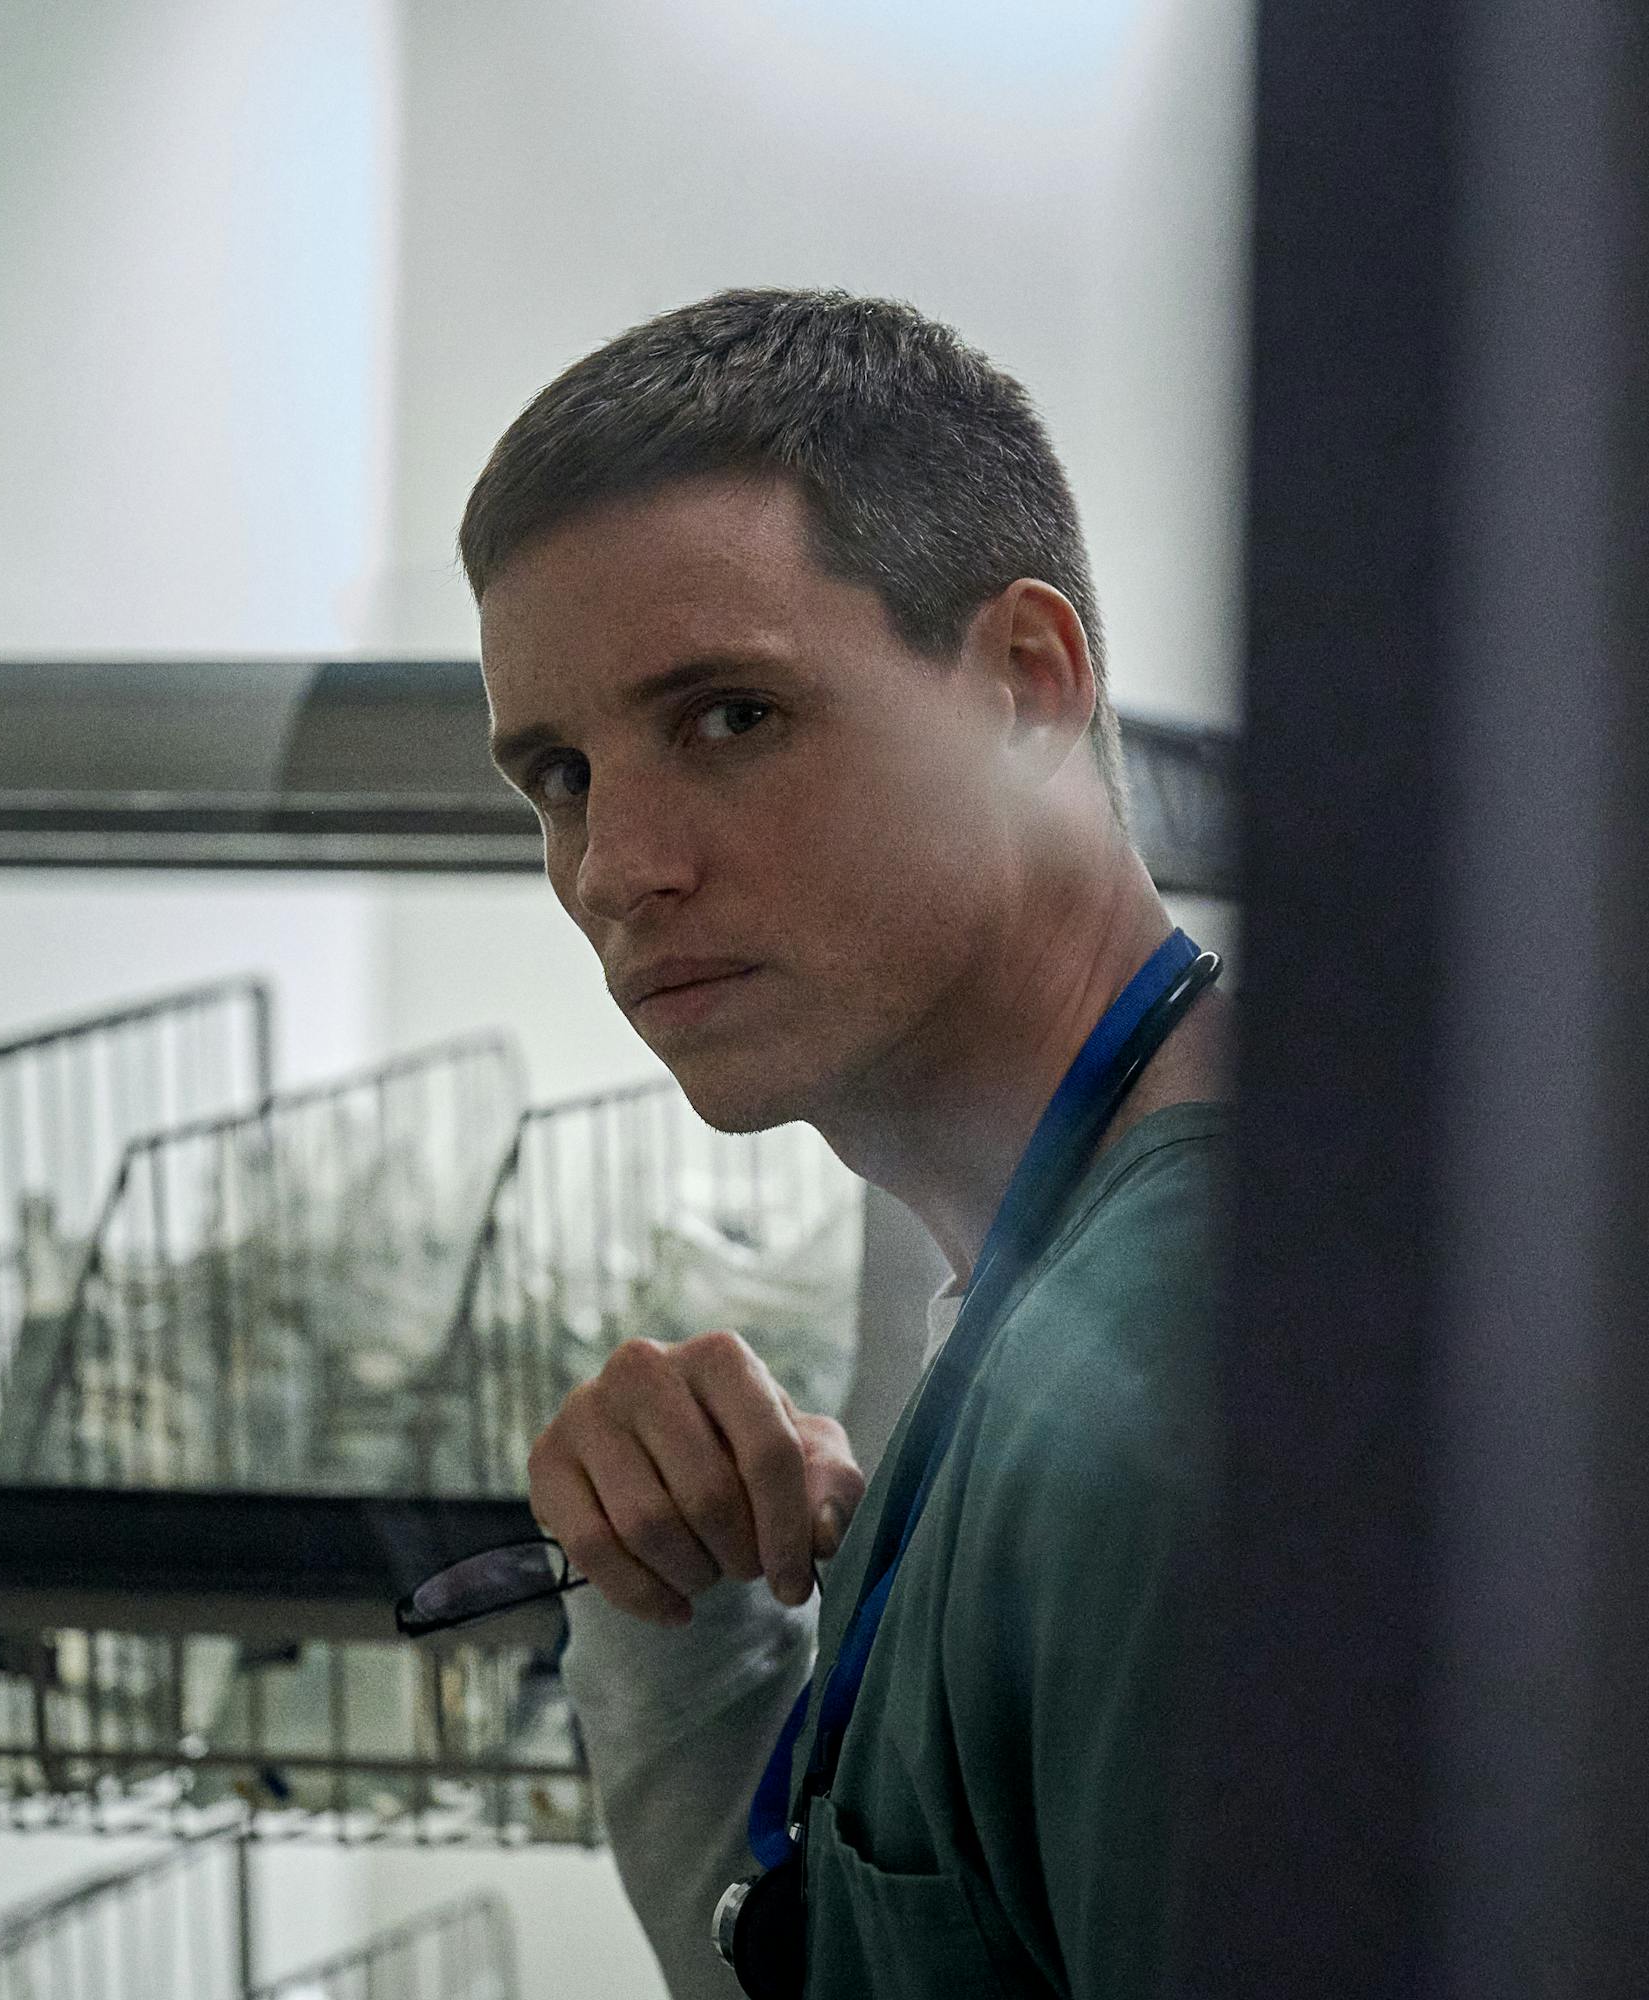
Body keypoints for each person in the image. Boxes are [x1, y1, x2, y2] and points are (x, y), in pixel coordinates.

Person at [465, 288, 1227, 1999]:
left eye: (729, 717)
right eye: (560, 775)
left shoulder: (1175, 1381)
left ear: (1024, 692)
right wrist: (679, 1630)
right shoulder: (1034, 1293)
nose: (614, 868)